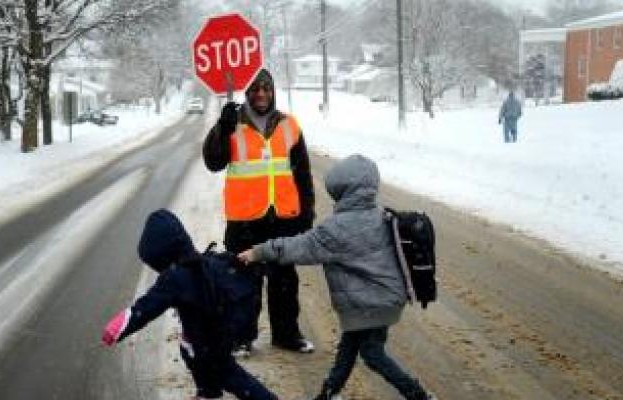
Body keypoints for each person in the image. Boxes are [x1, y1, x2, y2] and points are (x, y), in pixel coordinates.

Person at [238, 155, 434, 400]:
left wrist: (258, 252)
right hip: (384, 297)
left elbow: (297, 247)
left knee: (372, 353)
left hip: (369, 303)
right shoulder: (380, 215)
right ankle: (328, 394)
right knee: (349, 347)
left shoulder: (337, 229)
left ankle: (418, 395)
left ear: (340, 190)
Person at [101, 209, 279, 400]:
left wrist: (118, 328)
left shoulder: (174, 278)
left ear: (161, 256)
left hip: (210, 335)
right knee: (195, 355)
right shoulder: (200, 262)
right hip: (215, 328)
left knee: (227, 374)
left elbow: (147, 307)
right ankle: (208, 392)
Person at [203, 68, 315, 356]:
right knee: (243, 281)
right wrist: (222, 128)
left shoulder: (289, 125)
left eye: (266, 88)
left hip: (282, 218)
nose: (261, 94)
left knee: (284, 281)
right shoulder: (233, 123)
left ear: (273, 91)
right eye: (255, 89)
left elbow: (302, 173)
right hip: (244, 220)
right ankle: (240, 338)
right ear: (247, 92)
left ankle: (286, 335)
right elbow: (213, 162)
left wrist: (306, 213)